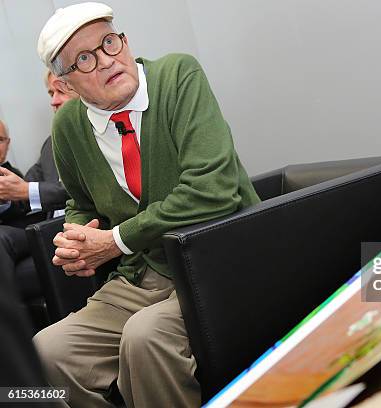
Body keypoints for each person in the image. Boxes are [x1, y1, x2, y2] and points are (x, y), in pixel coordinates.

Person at [33, 2, 260, 407]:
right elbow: (80, 202)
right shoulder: (68, 126)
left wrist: (115, 241)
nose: (106, 60)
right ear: (66, 84)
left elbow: (213, 190)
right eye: (85, 58)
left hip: (217, 259)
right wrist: (79, 236)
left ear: (124, 40)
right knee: (46, 353)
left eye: (109, 42)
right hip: (139, 277)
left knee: (145, 337)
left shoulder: (177, 75)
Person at [0, 73, 75, 290]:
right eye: (51, 93)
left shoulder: (102, 135)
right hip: (45, 231)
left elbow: (82, 190)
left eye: (61, 91)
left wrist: (25, 190)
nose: (53, 101)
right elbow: (24, 189)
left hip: (79, 229)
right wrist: (6, 194)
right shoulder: (51, 144)